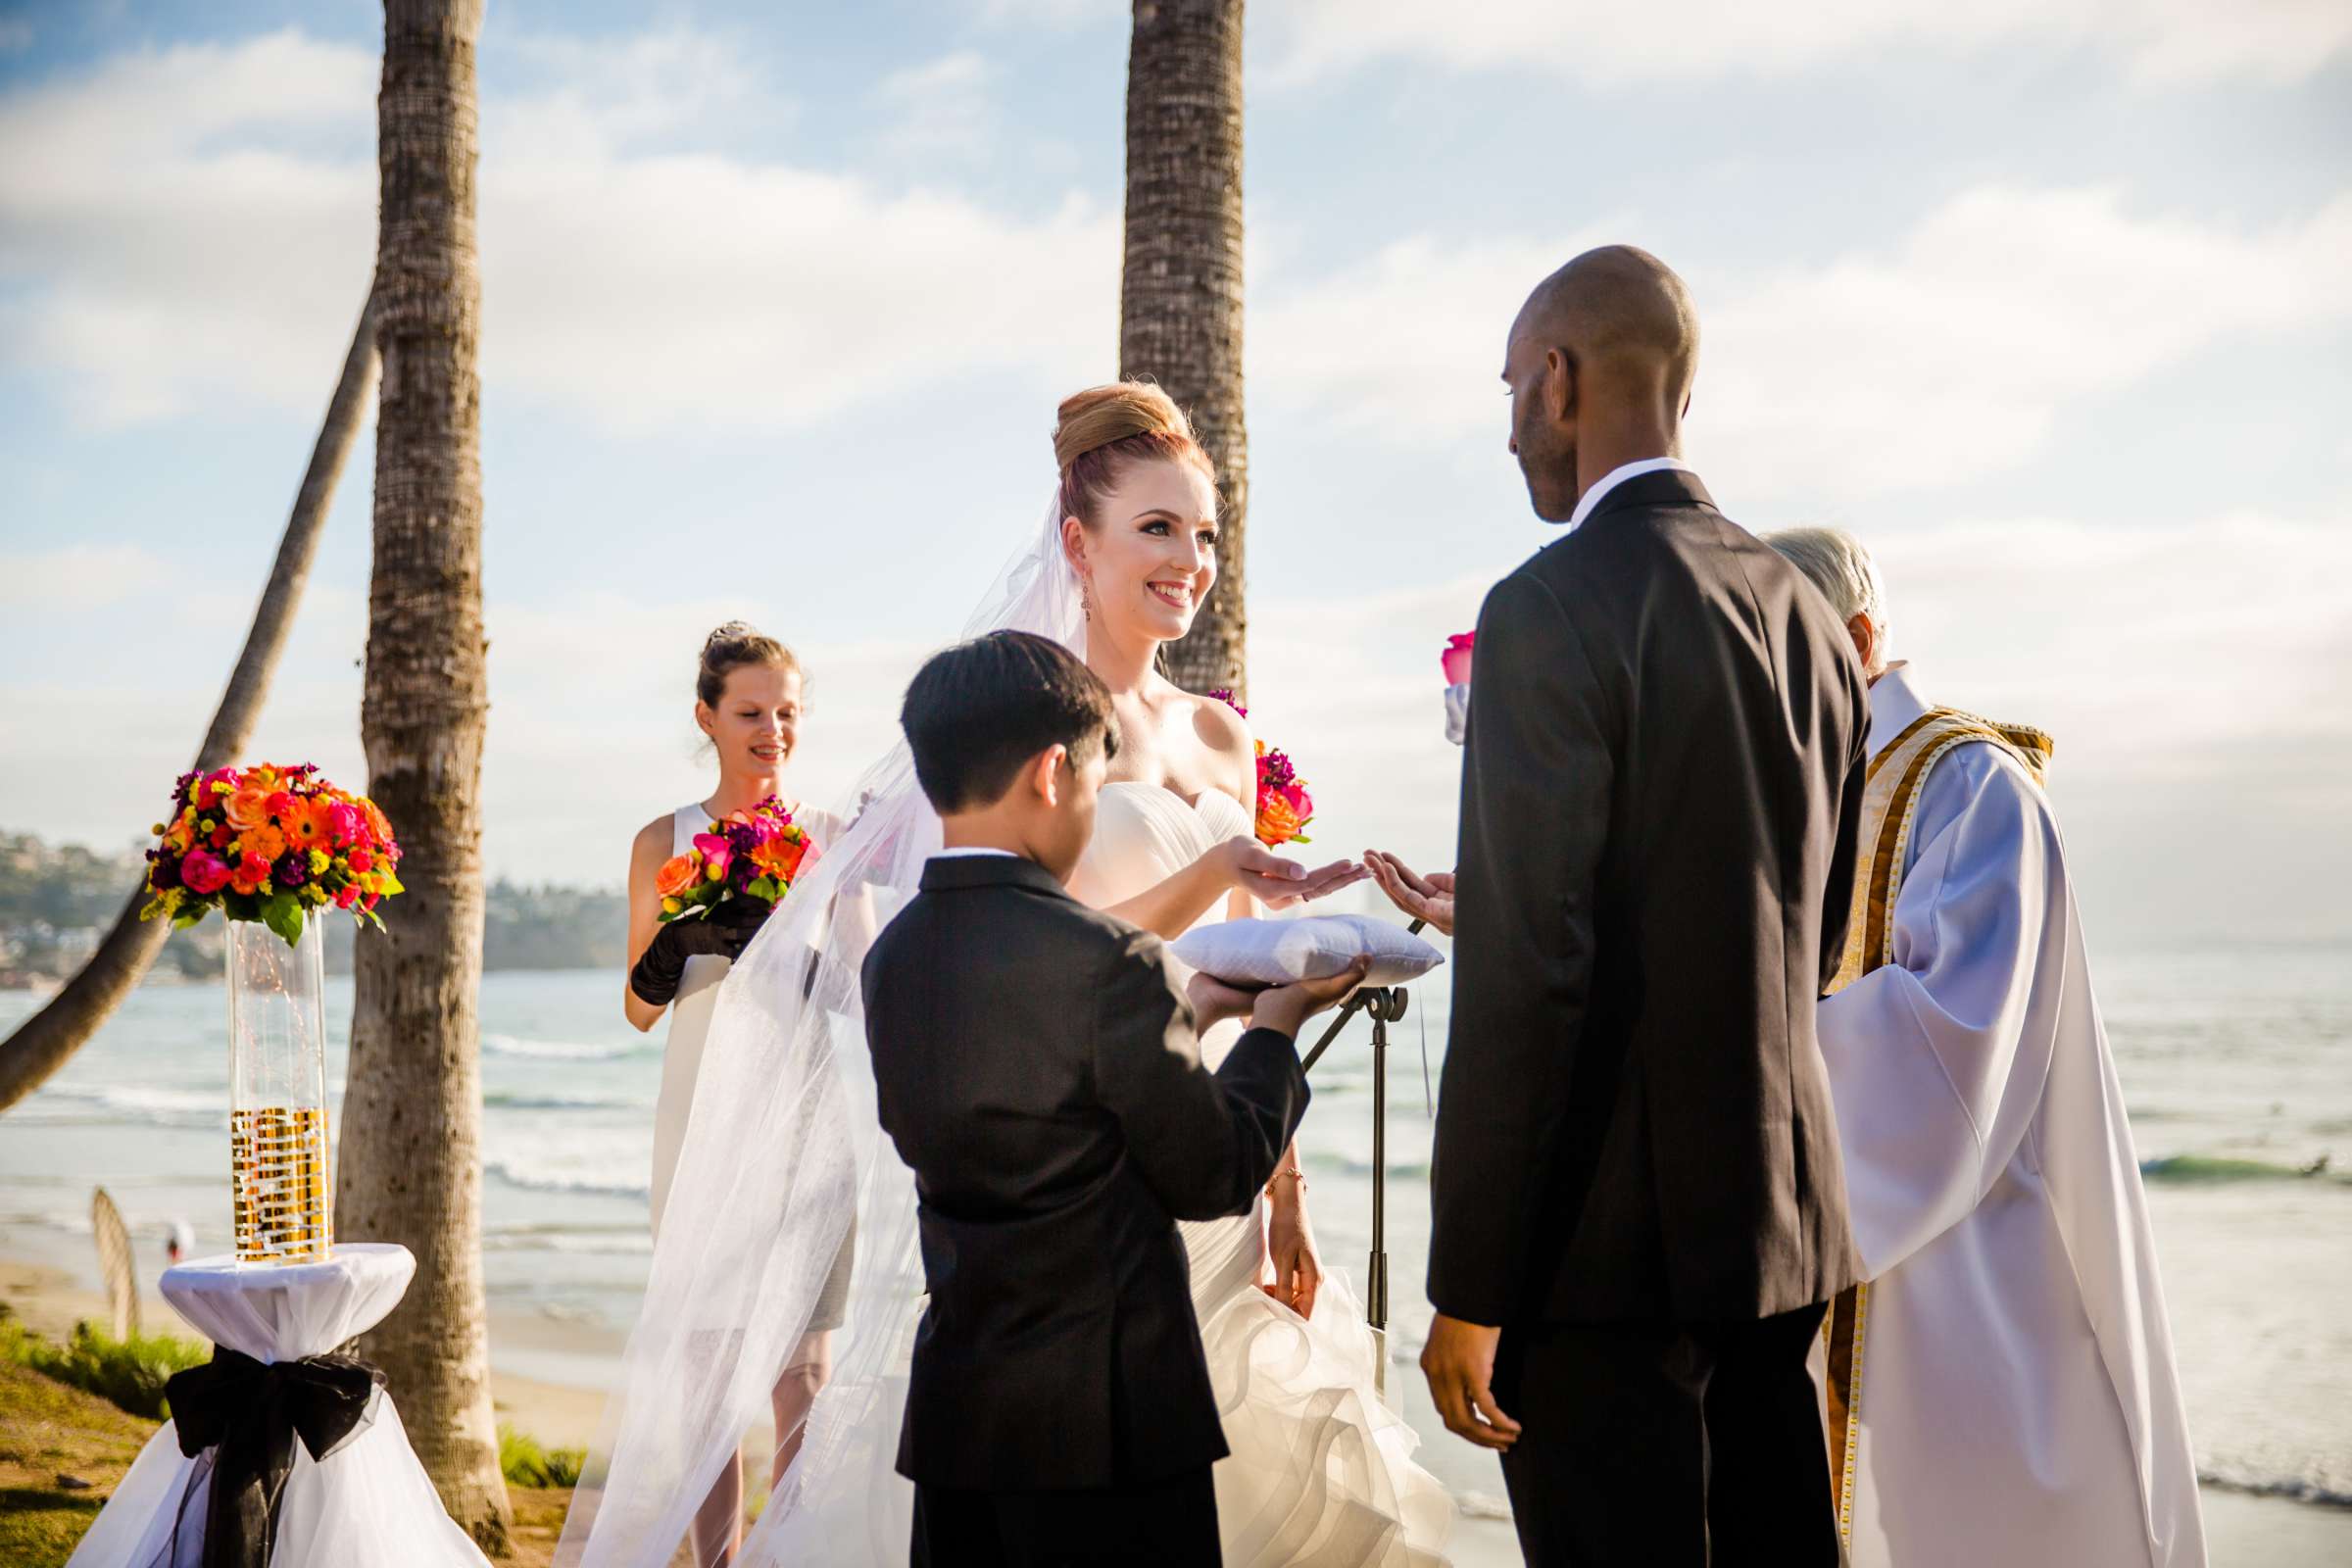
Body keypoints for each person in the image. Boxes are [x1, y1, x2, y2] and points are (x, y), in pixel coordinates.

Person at [559, 386, 1446, 1568]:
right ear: (1079, 541)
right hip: (1086, 1182)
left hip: (1215, 1142)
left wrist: (1284, 1198)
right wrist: (1218, 887)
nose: (1192, 561)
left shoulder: (1222, 737)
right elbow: (1032, 964)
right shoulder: (1023, 724)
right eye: (1159, 528)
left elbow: (1227, 971)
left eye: (1208, 534)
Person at [1420, 246, 1867, 1567]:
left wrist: (1470, 1286)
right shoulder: (1804, 614)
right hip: (1782, 1242)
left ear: (1559, 381)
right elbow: (1814, 927)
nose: (1508, 431)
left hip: (1599, 1265)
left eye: (1511, 389)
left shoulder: (1546, 609)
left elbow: (1533, 980)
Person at [865, 629, 1364, 1566]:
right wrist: (1274, 1029)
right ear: (1054, 773)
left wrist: (1202, 1004)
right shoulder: (1109, 961)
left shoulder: (896, 959)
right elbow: (1212, 1172)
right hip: (1111, 1421)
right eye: (1097, 787)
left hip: (963, 1414)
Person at [1763, 526, 2208, 1567]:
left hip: (1965, 1272)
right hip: (1827, 1272)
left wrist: (1730, 1054)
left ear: (1859, 638)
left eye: (1773, 644)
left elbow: (1951, 1039)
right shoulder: (1798, 791)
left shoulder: (1973, 789)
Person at [619, 623, 844, 1567]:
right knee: (709, 1384)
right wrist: (681, 944)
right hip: (701, 1127)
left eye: (787, 713)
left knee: (806, 1375)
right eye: (752, 713)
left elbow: (862, 989)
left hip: (808, 1127)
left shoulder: (832, 838)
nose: (773, 731)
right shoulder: (663, 840)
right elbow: (636, 1009)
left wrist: (801, 958)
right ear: (708, 718)